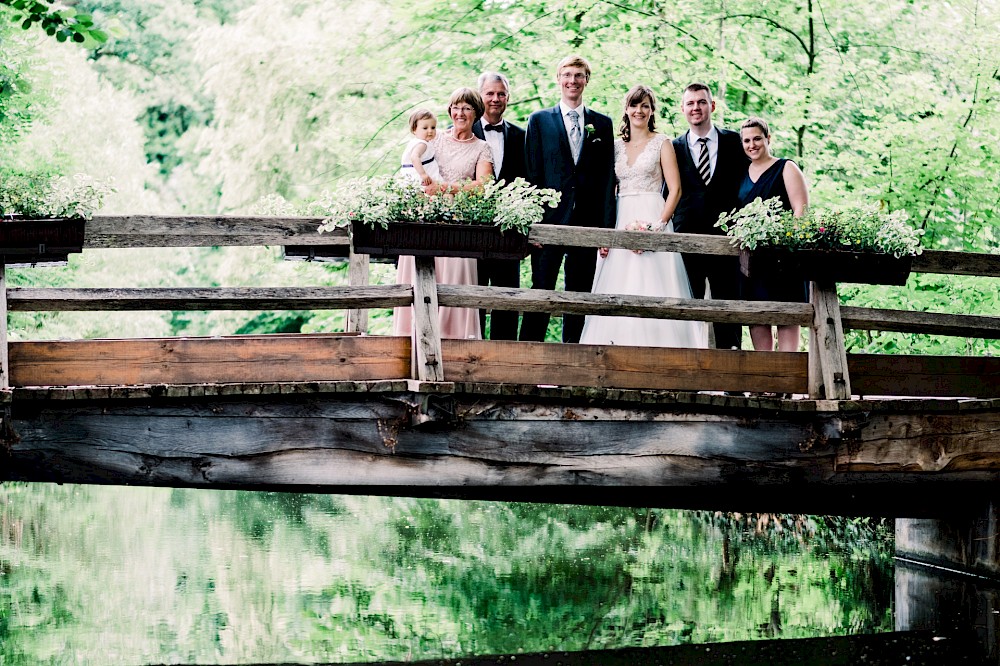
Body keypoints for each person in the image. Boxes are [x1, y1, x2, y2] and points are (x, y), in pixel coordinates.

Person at [579, 85, 706, 348]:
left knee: (655, 284)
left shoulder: (662, 143)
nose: (639, 110)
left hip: (653, 214)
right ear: (626, 109)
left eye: (645, 106)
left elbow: (675, 190)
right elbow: (606, 191)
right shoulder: (614, 146)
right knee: (619, 284)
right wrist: (606, 230)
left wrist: (658, 226)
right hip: (621, 217)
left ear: (651, 111)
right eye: (635, 105)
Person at [518, 55, 616, 344]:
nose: (572, 80)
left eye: (579, 75)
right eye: (567, 75)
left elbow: (607, 178)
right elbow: (531, 173)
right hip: (548, 221)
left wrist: (606, 229)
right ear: (558, 79)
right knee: (541, 289)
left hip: (587, 222)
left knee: (579, 293)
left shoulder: (602, 123)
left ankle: (572, 357)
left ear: (587, 79)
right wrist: (531, 224)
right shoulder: (539, 121)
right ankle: (530, 355)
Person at [392, 88, 493, 340]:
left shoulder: (482, 148)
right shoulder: (433, 137)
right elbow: (409, 165)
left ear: (476, 114)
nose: (460, 113)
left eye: (467, 108)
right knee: (419, 280)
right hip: (424, 218)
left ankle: (456, 343)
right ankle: (412, 340)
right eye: (456, 107)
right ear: (450, 111)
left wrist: (446, 188)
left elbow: (483, 185)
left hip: (458, 223)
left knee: (455, 282)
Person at [671, 83, 749, 350]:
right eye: (690, 103)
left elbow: (749, 185)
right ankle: (689, 372)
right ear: (682, 109)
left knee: (728, 309)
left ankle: (733, 382)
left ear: (712, 106)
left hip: (726, 240)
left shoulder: (734, 142)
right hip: (686, 240)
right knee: (685, 307)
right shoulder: (673, 148)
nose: (696, 108)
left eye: (701, 102)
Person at [736, 116, 809, 352]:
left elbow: (801, 210)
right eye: (746, 140)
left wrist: (785, 242)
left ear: (768, 138)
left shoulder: (786, 167)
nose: (752, 144)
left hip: (784, 260)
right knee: (758, 319)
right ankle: (767, 382)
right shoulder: (740, 174)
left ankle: (787, 382)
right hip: (753, 262)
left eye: (757, 138)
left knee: (787, 317)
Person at [472, 71, 526, 341]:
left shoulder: (522, 135)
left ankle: (504, 358)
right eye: (490, 93)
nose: (495, 99)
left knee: (508, 297)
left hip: (509, 232)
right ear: (480, 96)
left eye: (501, 94)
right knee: (473, 298)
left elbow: (530, 182)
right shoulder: (463, 131)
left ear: (508, 98)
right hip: (472, 232)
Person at [400, 109, 440, 185]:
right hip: (417, 174)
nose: (430, 131)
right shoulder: (422, 144)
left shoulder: (416, 141)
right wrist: (423, 174)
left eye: (433, 127)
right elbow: (414, 157)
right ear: (414, 130)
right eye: (425, 128)